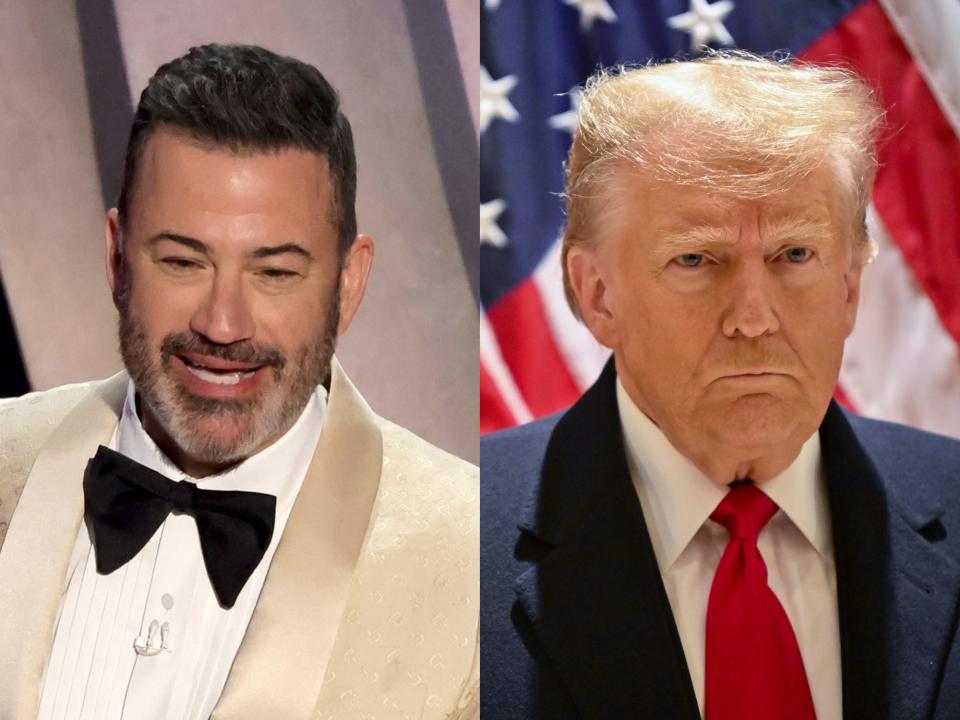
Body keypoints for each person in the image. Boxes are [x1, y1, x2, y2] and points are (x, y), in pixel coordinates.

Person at [0, 44, 477, 720]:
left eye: (275, 272)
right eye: (182, 261)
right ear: (116, 258)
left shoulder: (472, 558)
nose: (223, 324)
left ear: (349, 282)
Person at [481, 52, 960, 720]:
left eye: (795, 255)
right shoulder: (459, 536)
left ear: (850, 287)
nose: (754, 318)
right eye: (697, 260)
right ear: (596, 295)